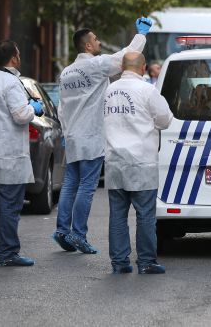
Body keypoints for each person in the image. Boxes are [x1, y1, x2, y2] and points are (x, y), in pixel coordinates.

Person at [52, 17, 153, 254]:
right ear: (87, 45)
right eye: (96, 40)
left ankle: (62, 230)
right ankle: (78, 234)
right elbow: (125, 57)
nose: (99, 43)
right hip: (92, 135)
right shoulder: (95, 65)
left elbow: (61, 107)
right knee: (87, 187)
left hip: (73, 135)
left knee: (69, 185)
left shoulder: (66, 73)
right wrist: (141, 36)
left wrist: (66, 132)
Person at [0, 40, 44, 266]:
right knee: (10, 205)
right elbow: (20, 115)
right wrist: (33, 109)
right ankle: (8, 253)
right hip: (9, 153)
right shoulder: (11, 83)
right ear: (14, 59)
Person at [104, 52, 173, 274]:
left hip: (115, 160)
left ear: (123, 66)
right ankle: (146, 262)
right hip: (141, 161)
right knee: (145, 215)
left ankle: (119, 262)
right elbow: (165, 119)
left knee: (117, 215)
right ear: (143, 67)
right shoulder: (147, 90)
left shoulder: (109, 90)